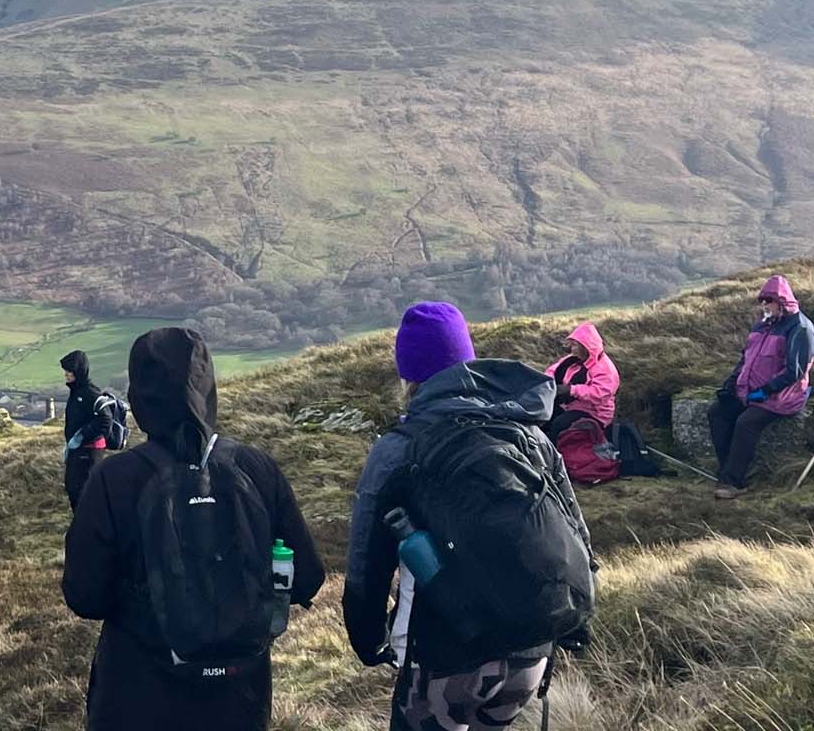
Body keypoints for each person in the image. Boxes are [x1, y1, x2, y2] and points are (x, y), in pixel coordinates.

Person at [344, 302, 594, 731]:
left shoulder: (400, 449)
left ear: (409, 377)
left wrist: (369, 643)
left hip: (445, 657)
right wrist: (574, 621)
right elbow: (576, 534)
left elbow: (367, 565)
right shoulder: (529, 434)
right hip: (531, 649)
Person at [62, 327, 326, 730]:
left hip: (136, 696)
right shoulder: (256, 469)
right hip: (238, 698)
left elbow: (85, 595)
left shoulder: (113, 479)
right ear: (208, 388)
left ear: (138, 397)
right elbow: (306, 578)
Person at [708, 275, 814, 498]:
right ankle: (728, 469)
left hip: (783, 396)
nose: (764, 305)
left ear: (782, 301)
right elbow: (745, 358)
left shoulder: (800, 329)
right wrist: (731, 383)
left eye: (769, 300)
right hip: (749, 391)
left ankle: (732, 483)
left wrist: (764, 391)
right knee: (717, 412)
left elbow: (794, 372)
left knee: (746, 423)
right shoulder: (762, 326)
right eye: (762, 300)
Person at [542, 322, 620, 440]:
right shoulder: (574, 360)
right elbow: (553, 370)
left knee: (559, 424)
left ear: (586, 346)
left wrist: (571, 390)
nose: (572, 350)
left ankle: (555, 455)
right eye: (571, 345)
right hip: (569, 406)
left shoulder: (605, 368)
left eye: (575, 345)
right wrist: (547, 381)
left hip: (595, 414)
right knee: (543, 415)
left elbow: (599, 394)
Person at [60, 350, 111, 509]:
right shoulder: (76, 392)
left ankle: (87, 530)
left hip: (89, 451)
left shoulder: (90, 392)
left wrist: (82, 436)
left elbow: (105, 419)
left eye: (69, 371)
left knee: (84, 493)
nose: (66, 374)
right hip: (79, 450)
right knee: (73, 489)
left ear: (78, 371)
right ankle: (82, 528)